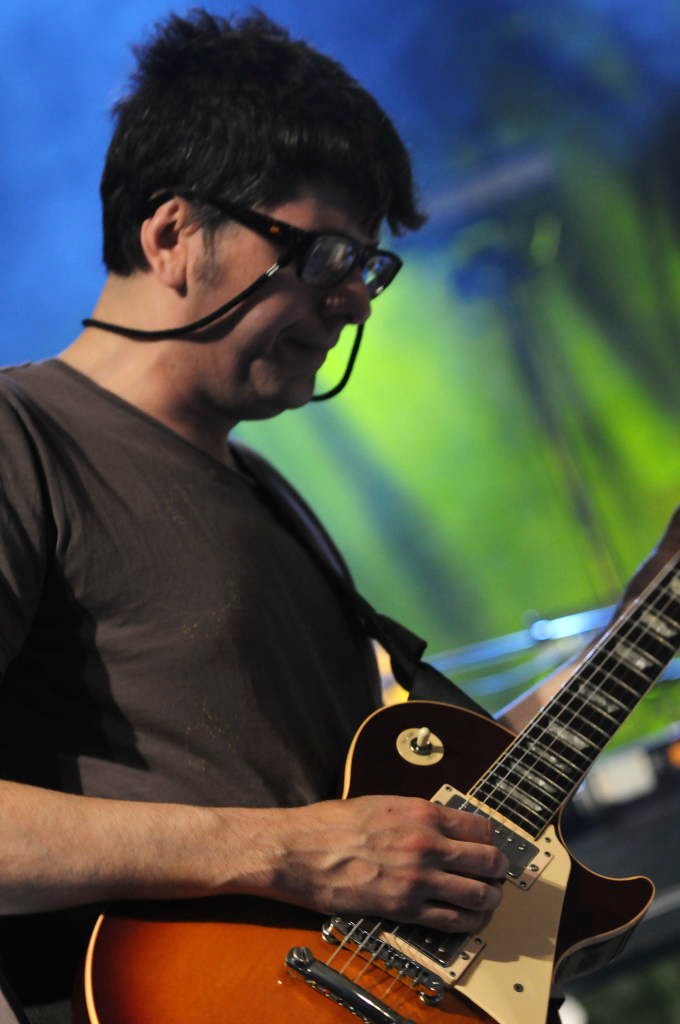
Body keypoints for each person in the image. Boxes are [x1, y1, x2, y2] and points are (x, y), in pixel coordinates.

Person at [0, 10, 676, 1024]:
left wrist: (643, 615)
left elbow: (394, 828)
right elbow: (330, 848)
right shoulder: (23, 437)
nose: (356, 300)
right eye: (324, 257)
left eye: (368, 267)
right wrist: (295, 851)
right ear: (173, 234)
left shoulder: (268, 495)